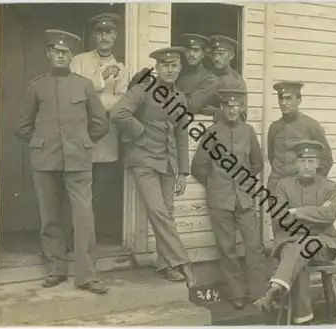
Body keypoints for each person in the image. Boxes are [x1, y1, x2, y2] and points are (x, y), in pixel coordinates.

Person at [15, 29, 109, 294]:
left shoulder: (84, 85)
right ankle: (55, 269)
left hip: (78, 161)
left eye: (66, 52)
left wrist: (82, 141)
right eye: (56, 51)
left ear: (71, 56)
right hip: (45, 161)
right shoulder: (37, 86)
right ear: (48, 54)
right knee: (50, 217)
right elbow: (22, 127)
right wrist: (41, 143)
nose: (61, 56)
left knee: (84, 218)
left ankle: (87, 275)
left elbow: (101, 124)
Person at [110, 46, 196, 288]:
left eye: (174, 66)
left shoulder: (180, 97)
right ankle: (182, 262)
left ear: (180, 68)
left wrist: (183, 171)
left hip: (168, 163)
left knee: (167, 213)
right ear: (157, 68)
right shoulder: (143, 89)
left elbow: (181, 135)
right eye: (165, 65)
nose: (170, 70)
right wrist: (140, 132)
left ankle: (165, 264)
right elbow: (119, 113)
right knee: (158, 212)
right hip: (144, 160)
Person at [190, 88, 268, 309]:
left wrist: (242, 182)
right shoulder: (212, 133)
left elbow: (257, 163)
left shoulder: (248, 131)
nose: (233, 110)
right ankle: (237, 293)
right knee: (227, 248)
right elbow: (198, 167)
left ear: (241, 108)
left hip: (244, 200)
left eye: (237, 106)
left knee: (254, 246)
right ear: (222, 108)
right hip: (220, 201)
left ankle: (260, 292)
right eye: (228, 106)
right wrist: (215, 184)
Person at [254, 140, 336, 325]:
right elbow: (282, 218)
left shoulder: (329, 186)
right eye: (303, 161)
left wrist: (296, 212)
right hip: (291, 242)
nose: (307, 166)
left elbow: (330, 215)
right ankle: (304, 321)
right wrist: (317, 211)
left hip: (323, 244)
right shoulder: (284, 185)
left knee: (300, 247)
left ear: (318, 163)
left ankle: (271, 293)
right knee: (299, 256)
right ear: (296, 163)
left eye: (311, 161)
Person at [69, 13, 129, 240]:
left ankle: (91, 240)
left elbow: (122, 103)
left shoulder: (122, 67)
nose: (105, 37)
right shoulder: (79, 61)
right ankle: (72, 239)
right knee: (76, 192)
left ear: (115, 36)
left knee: (100, 192)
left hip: (106, 141)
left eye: (109, 33)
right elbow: (74, 93)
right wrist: (100, 80)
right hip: (80, 137)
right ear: (94, 36)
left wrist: (96, 100)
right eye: (100, 33)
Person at [267, 81, 333, 198]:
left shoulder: (311, 126)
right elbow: (272, 157)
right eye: (281, 99)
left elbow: (326, 159)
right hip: (277, 190)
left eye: (289, 99)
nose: (284, 103)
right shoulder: (274, 128)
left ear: (299, 100)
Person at [201, 35, 247, 122]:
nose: (217, 58)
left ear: (231, 56)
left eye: (221, 54)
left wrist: (215, 112)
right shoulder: (206, 77)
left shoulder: (237, 82)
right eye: (214, 54)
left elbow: (242, 116)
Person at [175, 33, 219, 116]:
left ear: (203, 54)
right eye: (188, 50)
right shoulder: (177, 74)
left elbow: (190, 106)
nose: (191, 54)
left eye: (195, 51)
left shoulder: (209, 80)